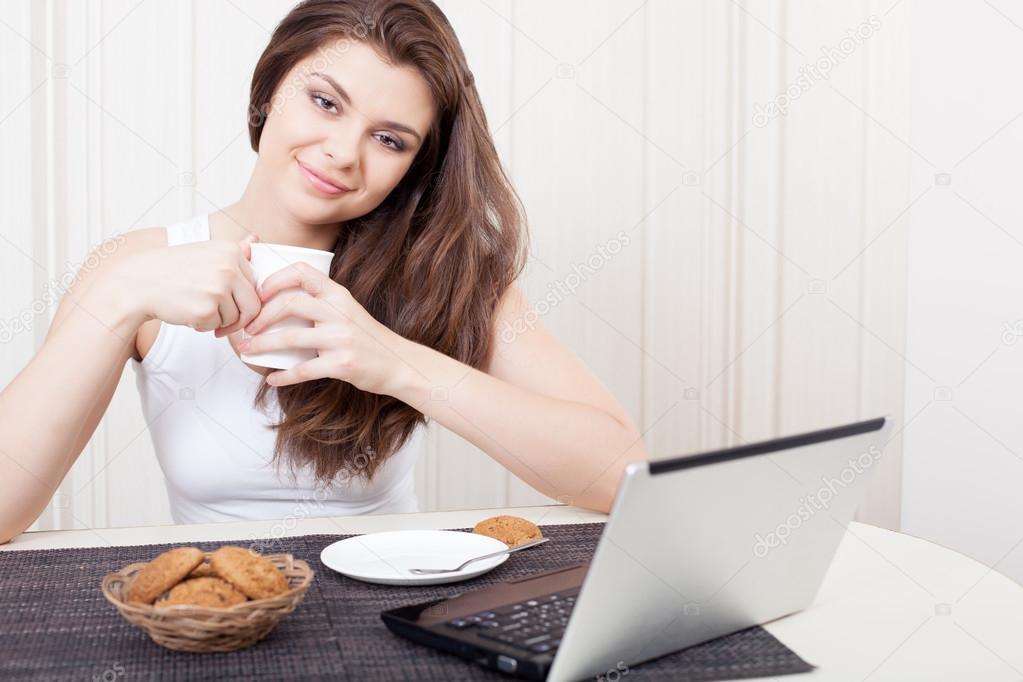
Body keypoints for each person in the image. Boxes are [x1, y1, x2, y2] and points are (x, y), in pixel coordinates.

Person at [0, 0, 647, 543]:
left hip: (387, 611)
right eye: (325, 101)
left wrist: (392, 361)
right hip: (228, 623)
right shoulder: (138, 266)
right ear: (270, 89)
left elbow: (624, 475)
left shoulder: (445, 275)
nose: (342, 152)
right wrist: (121, 293)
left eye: (389, 139)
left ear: (414, 167)